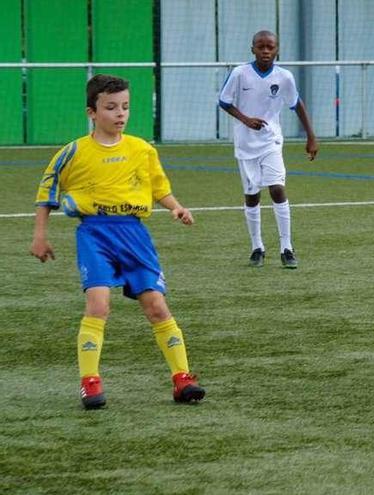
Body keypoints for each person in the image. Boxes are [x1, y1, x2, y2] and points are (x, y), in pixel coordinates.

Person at [30, 74, 205, 409]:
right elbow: (47, 191)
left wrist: (176, 207)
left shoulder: (142, 149)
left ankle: (182, 378)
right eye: (111, 107)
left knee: (156, 305)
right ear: (92, 112)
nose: (120, 113)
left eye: (125, 107)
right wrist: (40, 235)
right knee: (98, 305)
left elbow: (159, 188)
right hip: (95, 234)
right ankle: (90, 383)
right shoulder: (74, 152)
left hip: (135, 234)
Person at [219, 30, 319, 268]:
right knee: (252, 195)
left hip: (271, 141)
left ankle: (287, 248)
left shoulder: (284, 77)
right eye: (260, 46)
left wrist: (311, 136)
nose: (265, 51)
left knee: (277, 188)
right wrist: (246, 119)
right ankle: (257, 247)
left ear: (277, 50)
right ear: (252, 48)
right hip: (245, 144)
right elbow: (224, 101)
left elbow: (297, 104)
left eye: (270, 47)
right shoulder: (239, 73)